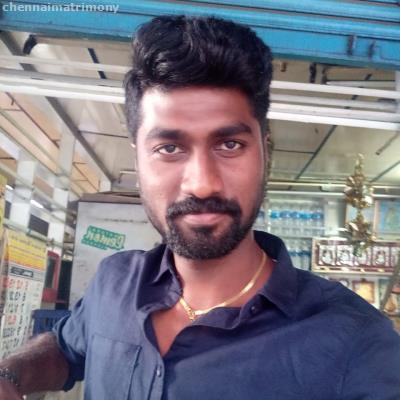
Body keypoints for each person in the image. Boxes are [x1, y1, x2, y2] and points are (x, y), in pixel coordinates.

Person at [0, 15, 399, 400]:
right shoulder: (114, 281)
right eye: (169, 148)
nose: (202, 182)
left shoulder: (357, 345)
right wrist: (10, 375)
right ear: (138, 160)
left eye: (230, 144)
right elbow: (67, 348)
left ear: (266, 153)